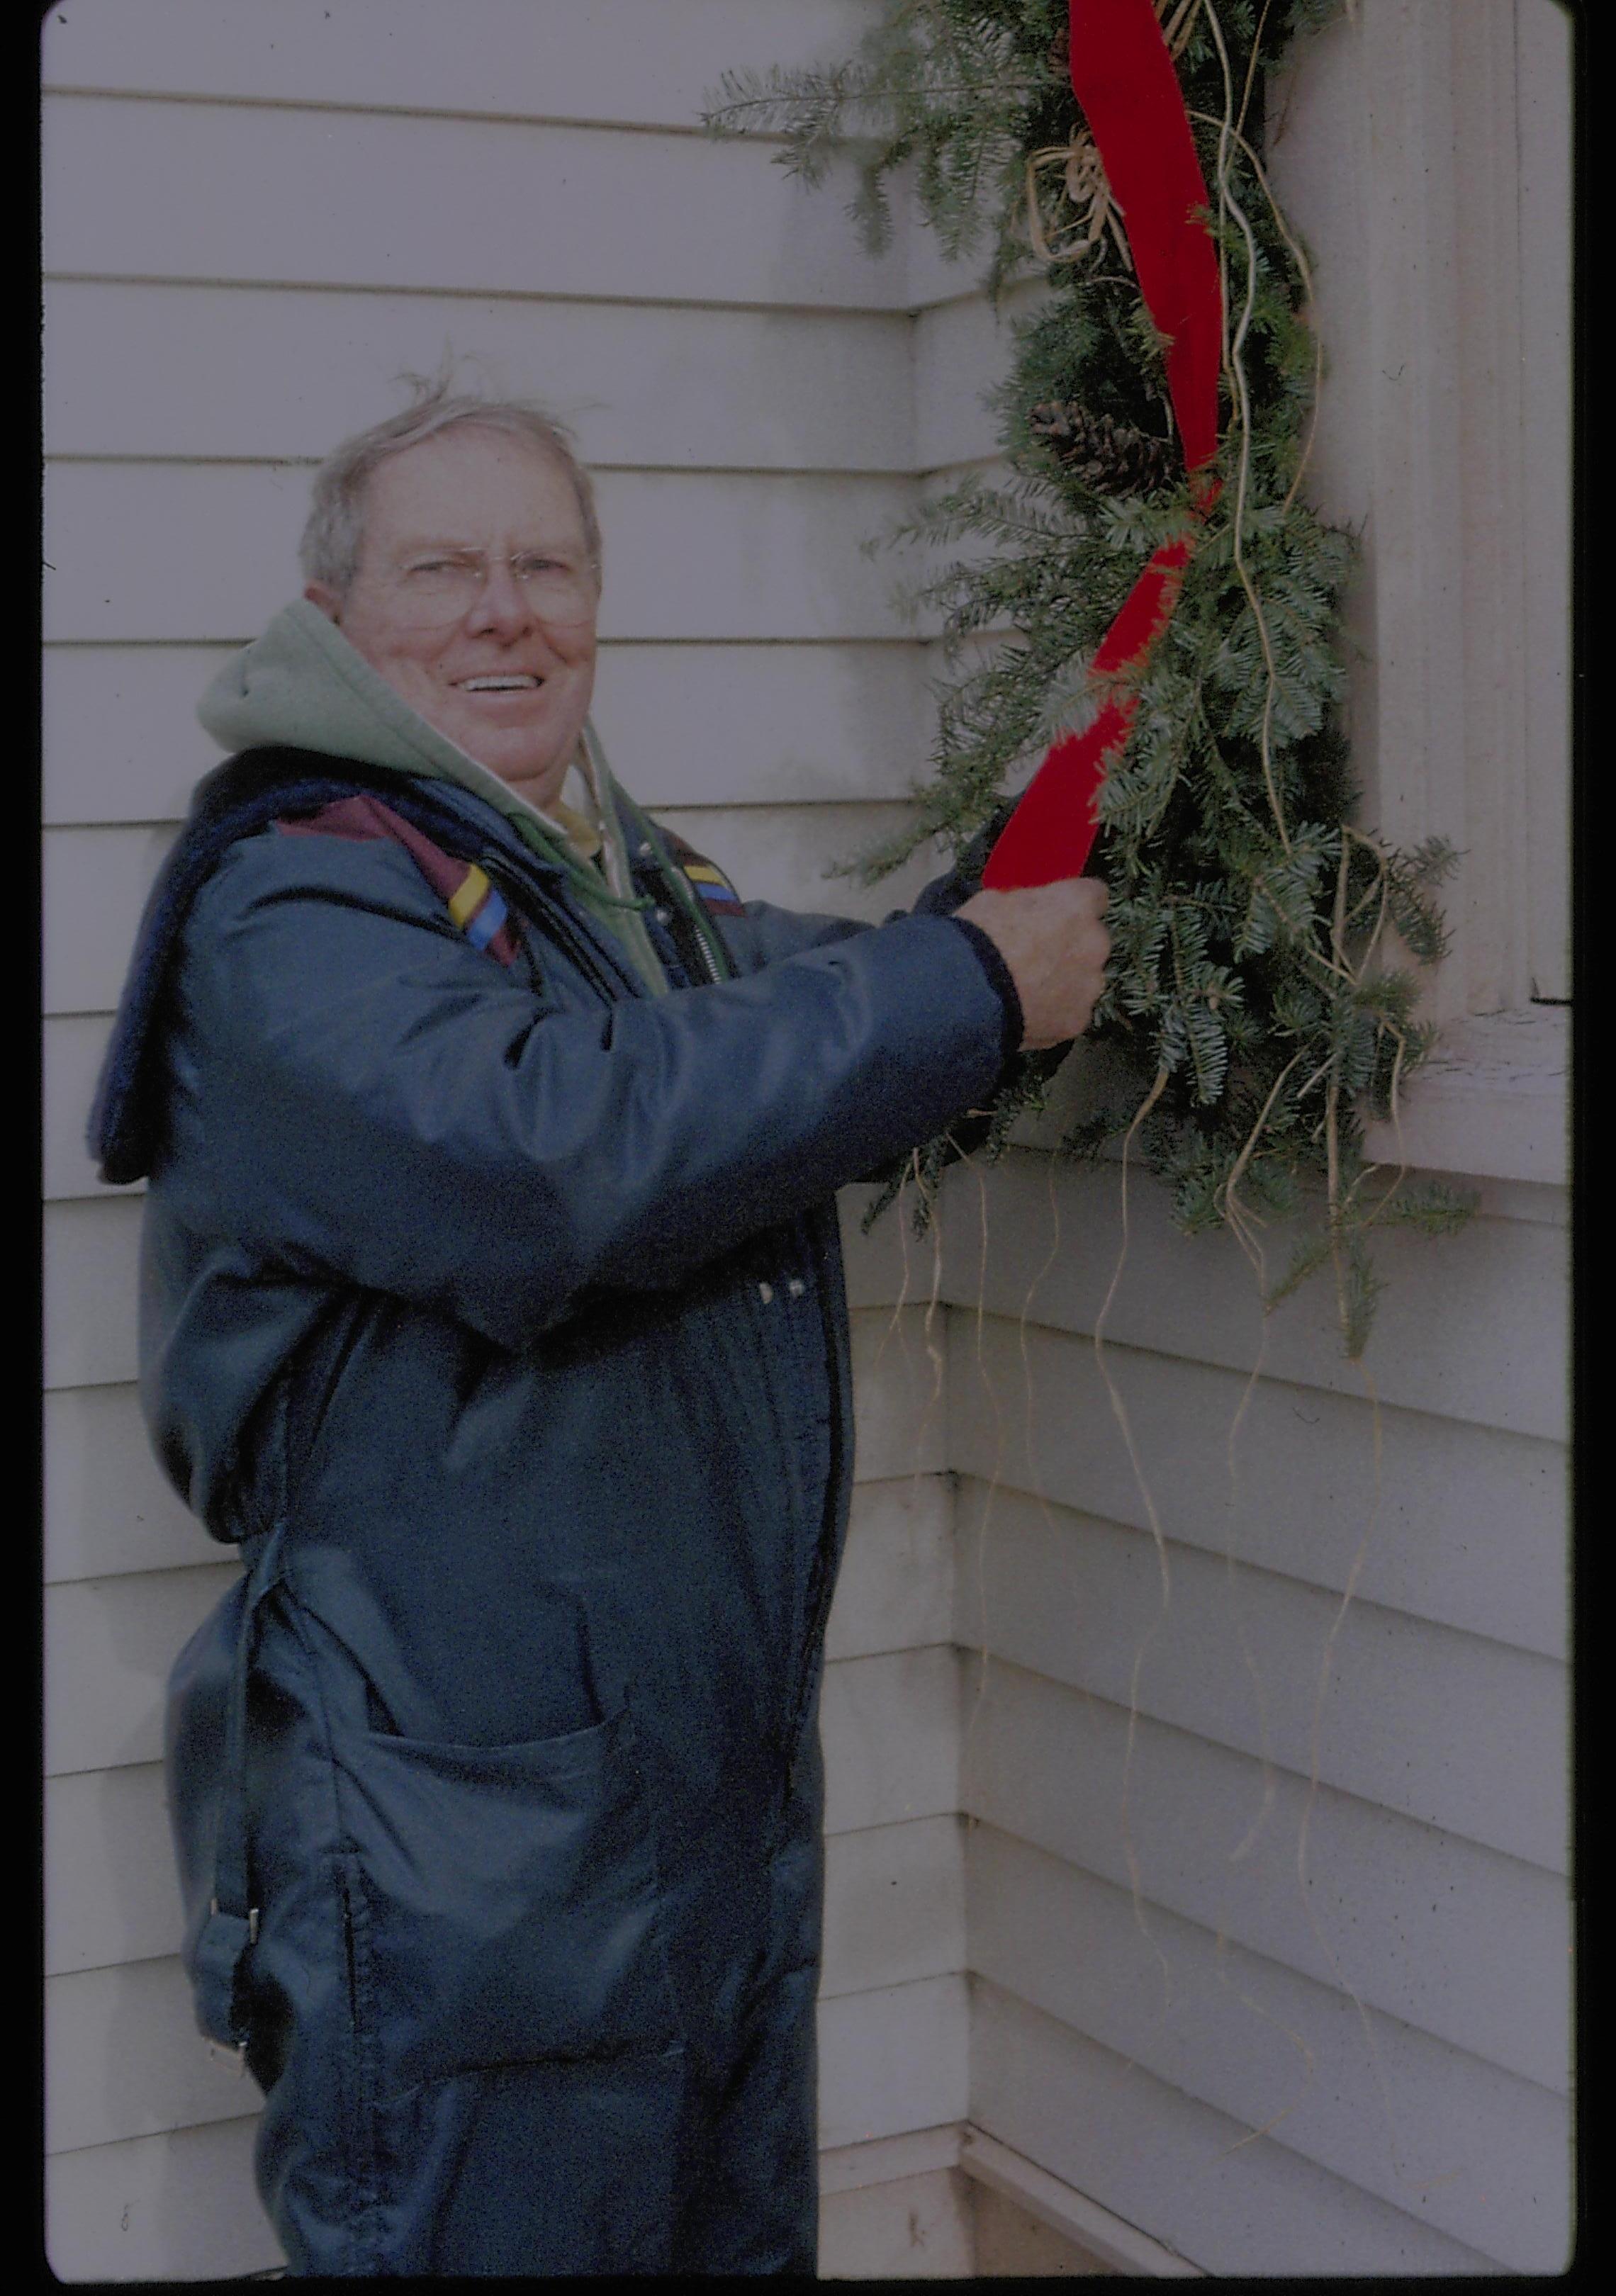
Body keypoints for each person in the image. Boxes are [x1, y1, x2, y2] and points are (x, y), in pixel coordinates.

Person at [91, 385, 1110, 2277]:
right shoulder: (300, 903)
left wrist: (1020, 890)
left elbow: (819, 1028)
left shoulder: (627, 902)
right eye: (443, 568)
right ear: (331, 613)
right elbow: (557, 1150)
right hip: (464, 1878)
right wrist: (969, 983)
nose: (505, 609)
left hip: (693, 1839)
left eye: (543, 564)